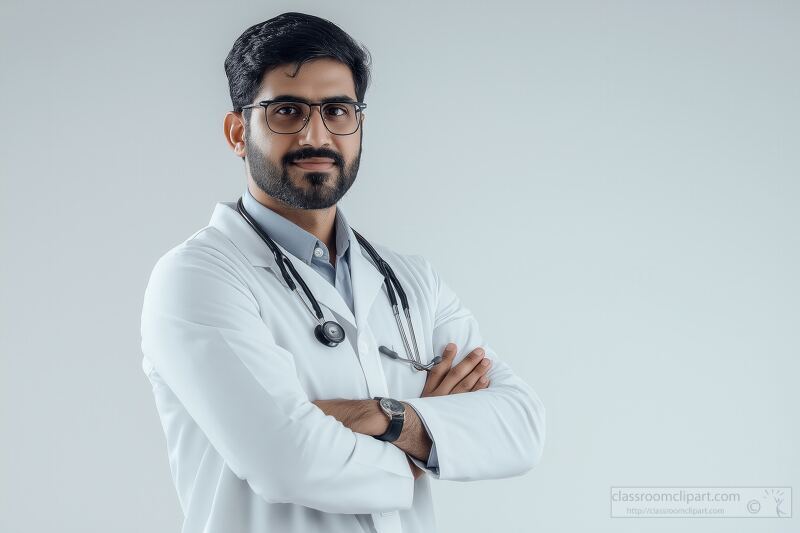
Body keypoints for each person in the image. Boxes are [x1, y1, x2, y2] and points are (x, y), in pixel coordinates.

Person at [140, 12, 545, 533]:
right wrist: (428, 445)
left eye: (337, 110)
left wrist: (384, 416)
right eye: (287, 111)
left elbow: (520, 428)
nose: (317, 134)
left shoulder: (412, 282)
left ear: (359, 123)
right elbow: (287, 461)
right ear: (238, 132)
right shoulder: (196, 278)